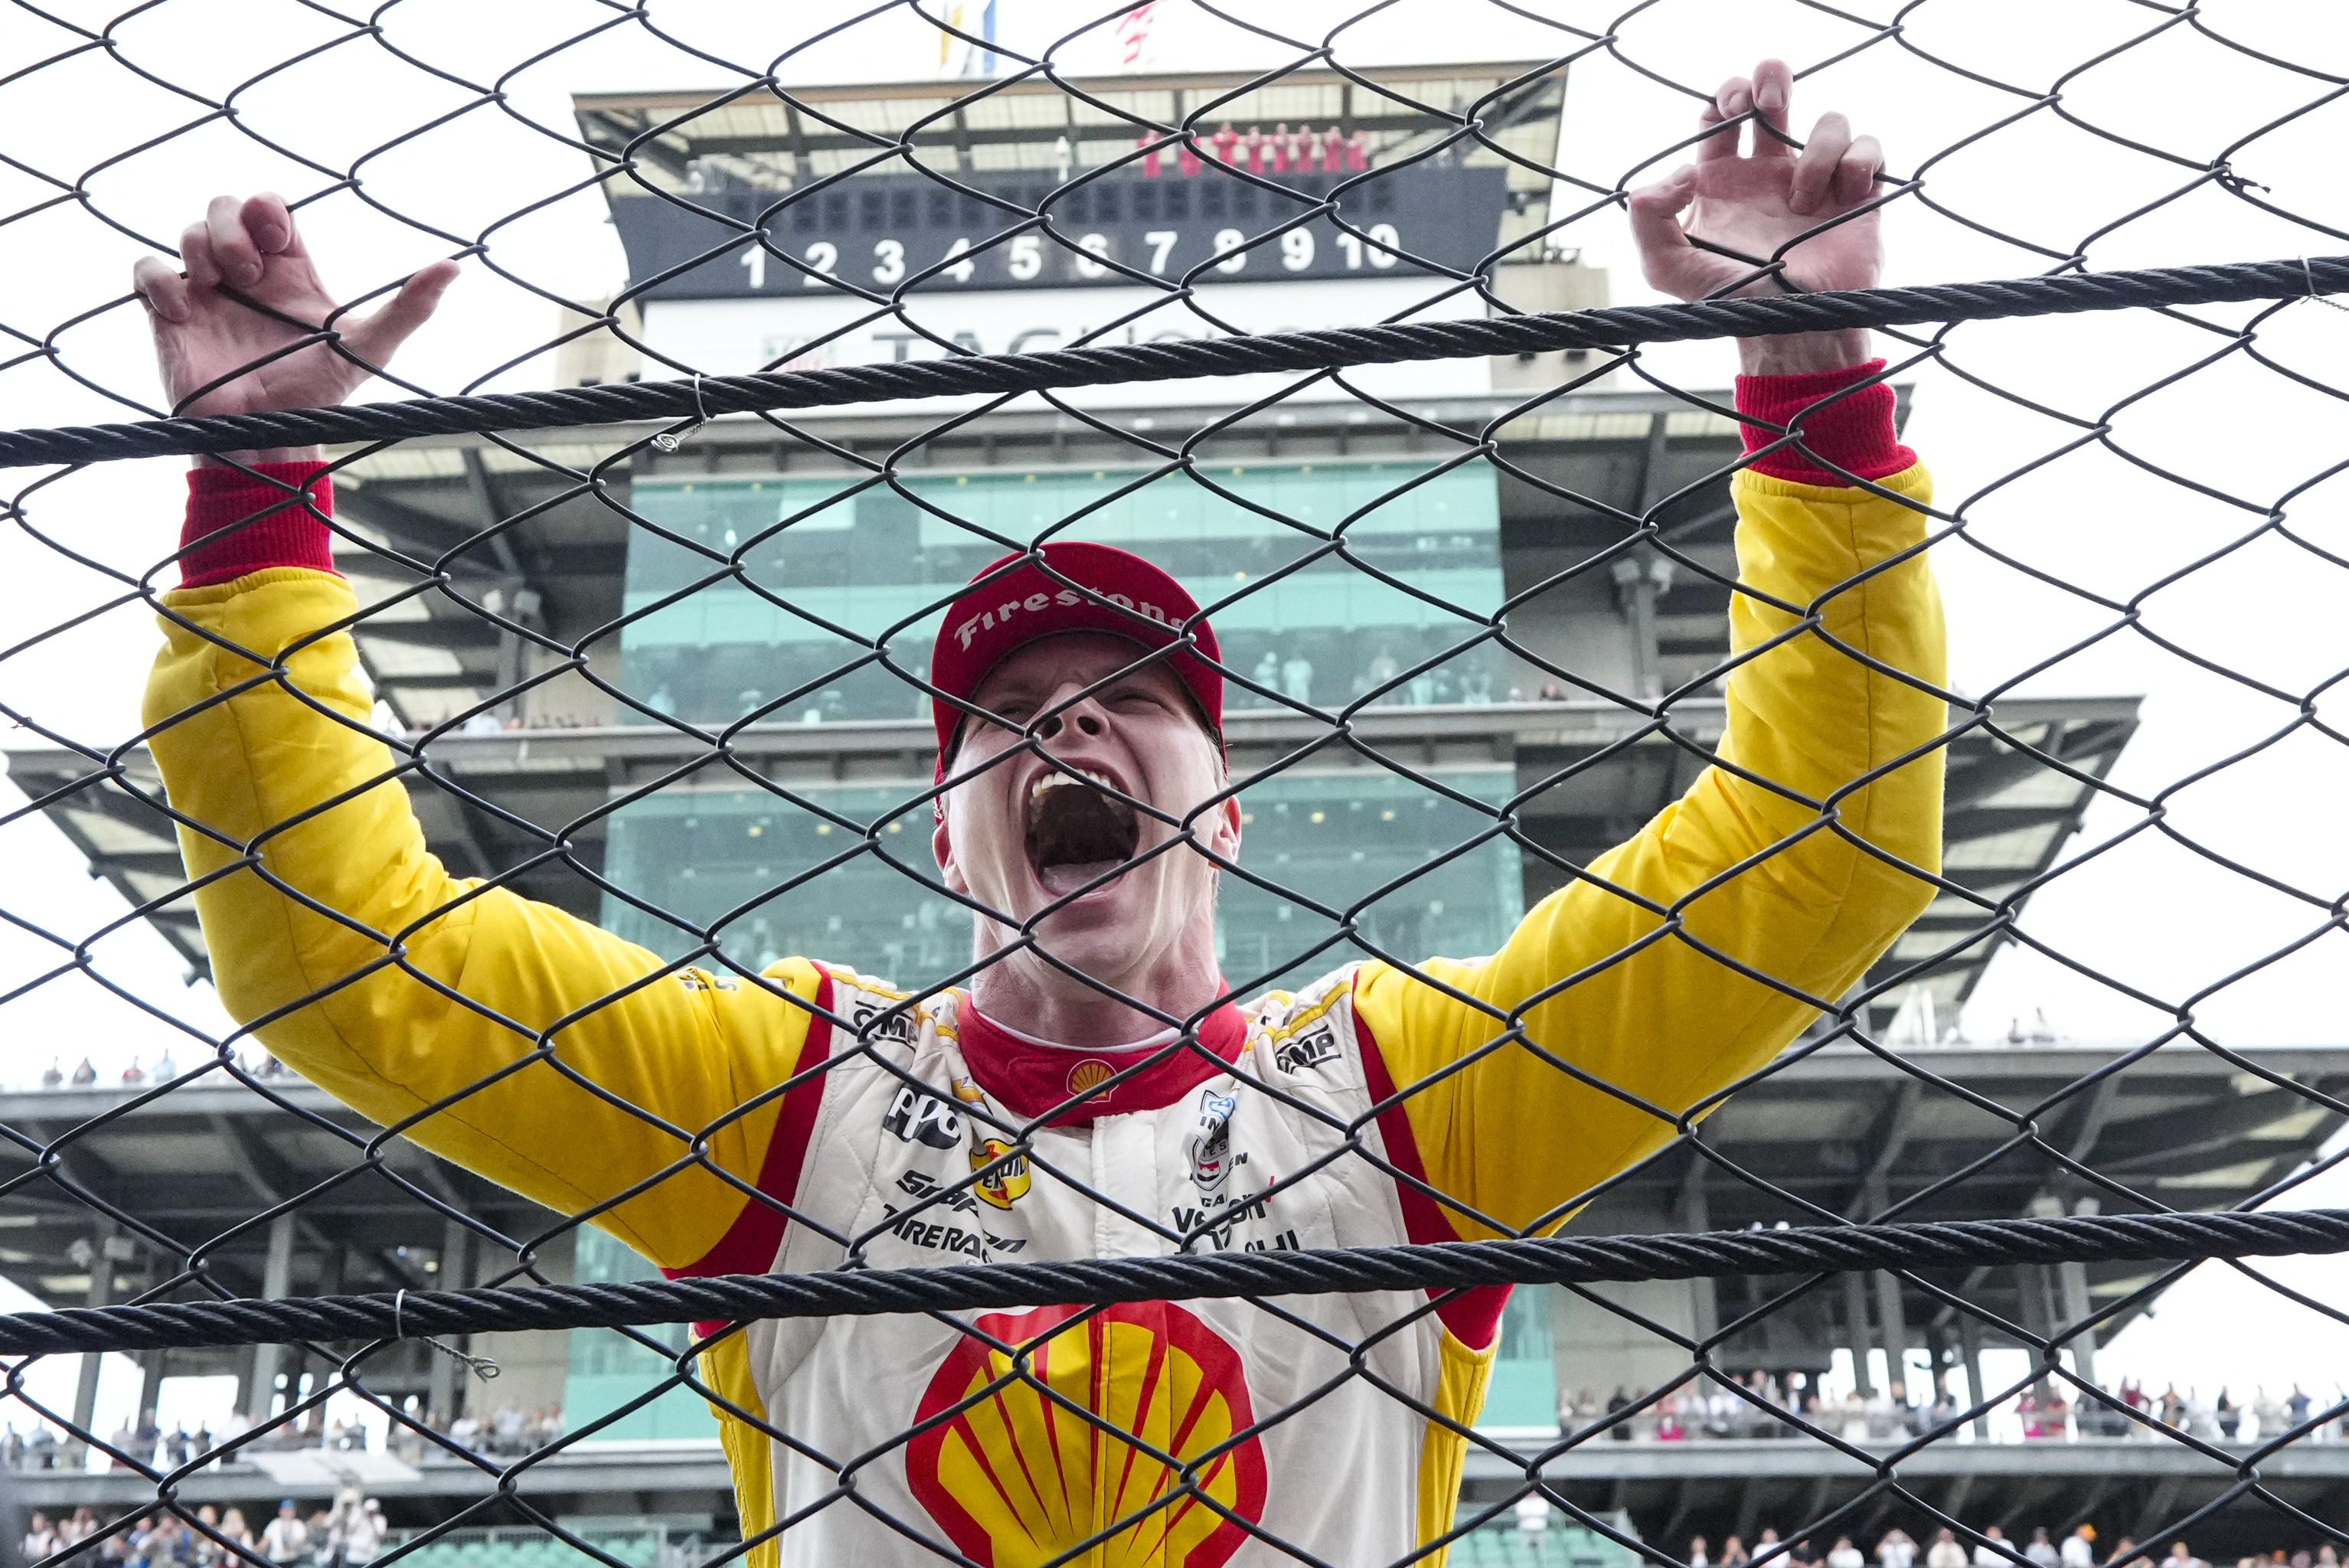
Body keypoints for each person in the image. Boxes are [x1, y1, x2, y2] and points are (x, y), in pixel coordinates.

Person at [130, 60, 1942, 1568]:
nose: (1067, 719)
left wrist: (1810, 381)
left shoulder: (1404, 1100)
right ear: (943, 836)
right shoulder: (782, 1096)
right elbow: (341, 958)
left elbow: (1818, 854)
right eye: (1002, 717)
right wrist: (253, 496)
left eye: (1133, 700)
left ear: (1223, 815)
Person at [260, 1502, 307, 1566]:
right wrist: (256, 1550)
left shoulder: (298, 1525)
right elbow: (266, 1540)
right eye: (285, 1510)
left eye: (289, 1511)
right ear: (281, 1511)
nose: (287, 1513)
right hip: (276, 1559)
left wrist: (293, 1545)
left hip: (292, 1560)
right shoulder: (274, 1524)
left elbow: (302, 1541)